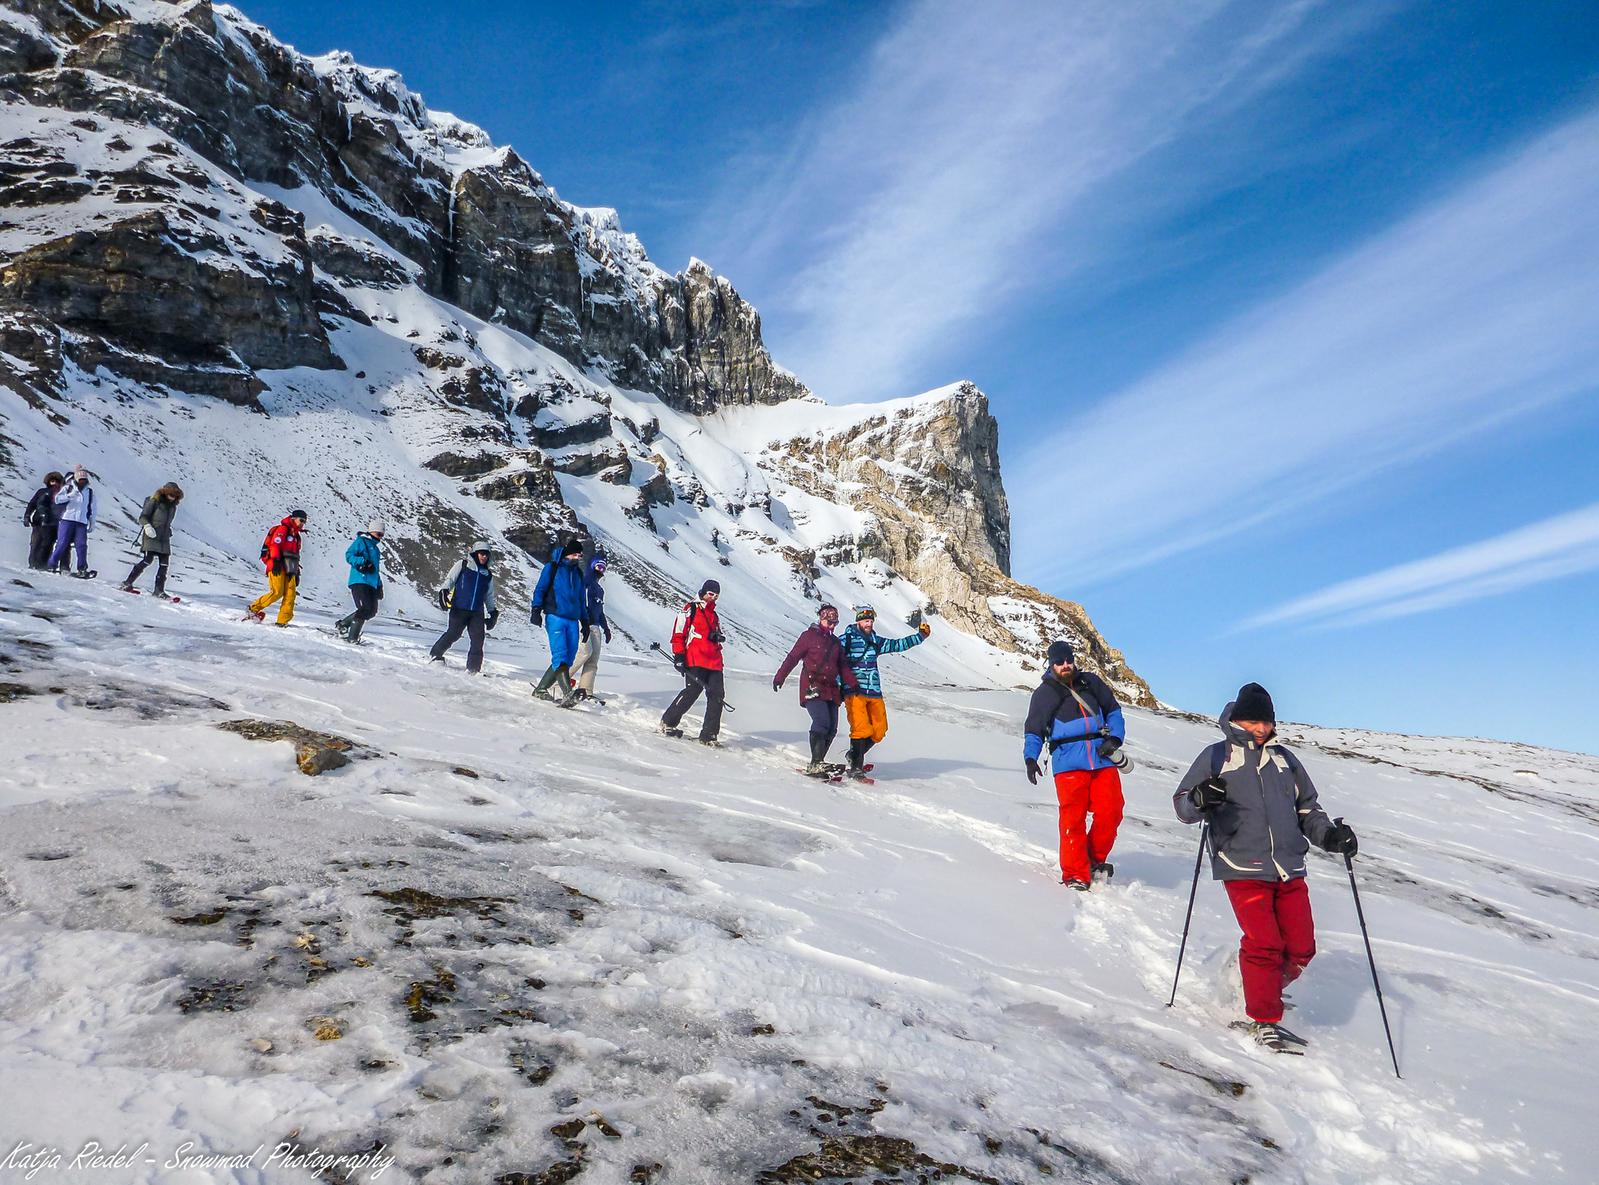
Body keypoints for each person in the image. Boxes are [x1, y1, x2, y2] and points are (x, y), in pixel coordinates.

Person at [1172, 682, 1358, 1052]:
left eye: (1267, 721)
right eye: (1254, 720)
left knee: (1302, 949)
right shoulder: (1216, 756)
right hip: (1240, 863)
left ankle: (1257, 986)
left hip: (1289, 866)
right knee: (1265, 944)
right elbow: (1182, 806)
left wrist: (1331, 837)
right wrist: (1199, 798)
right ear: (1237, 719)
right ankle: (1264, 1018)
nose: (1261, 728)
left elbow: (1308, 809)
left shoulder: (1286, 760)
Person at [1023, 641, 1127, 891]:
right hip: (1068, 762)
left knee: (1112, 811)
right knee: (1072, 819)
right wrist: (1030, 757)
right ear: (1052, 664)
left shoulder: (1091, 682)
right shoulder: (1044, 693)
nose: (1065, 665)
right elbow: (1034, 729)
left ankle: (1092, 859)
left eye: (1068, 660)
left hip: (1102, 757)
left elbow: (1113, 711)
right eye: (1059, 662)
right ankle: (1075, 873)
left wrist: (1114, 738)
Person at [839, 605, 930, 777]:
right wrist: (837, 685)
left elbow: (897, 644)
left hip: (874, 691)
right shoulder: (846, 639)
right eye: (866, 620)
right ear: (858, 621)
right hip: (854, 691)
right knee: (861, 728)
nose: (869, 624)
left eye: (871, 621)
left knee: (880, 730)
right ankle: (856, 767)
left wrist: (920, 636)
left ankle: (853, 755)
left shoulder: (875, 640)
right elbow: (835, 661)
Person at [773, 604, 859, 774]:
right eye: (829, 622)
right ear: (821, 618)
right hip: (812, 686)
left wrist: (853, 684)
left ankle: (819, 761)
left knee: (832, 727)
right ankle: (816, 762)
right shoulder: (808, 636)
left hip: (832, 690)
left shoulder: (835, 642)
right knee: (821, 722)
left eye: (835, 623)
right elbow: (793, 657)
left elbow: (843, 666)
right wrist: (780, 676)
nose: (832, 626)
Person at [660, 579, 725, 745]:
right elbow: (679, 633)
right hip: (695, 658)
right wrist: (679, 656)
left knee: (717, 696)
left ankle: (709, 735)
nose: (713, 598)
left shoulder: (714, 615)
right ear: (703, 592)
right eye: (711, 594)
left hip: (714, 662)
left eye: (716, 596)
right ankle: (668, 721)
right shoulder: (691, 609)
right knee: (692, 691)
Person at [530, 538, 592, 706]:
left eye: (579, 555)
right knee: (560, 656)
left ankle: (541, 689)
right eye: (574, 554)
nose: (577, 558)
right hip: (555, 616)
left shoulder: (578, 573)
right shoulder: (552, 568)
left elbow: (581, 599)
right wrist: (536, 609)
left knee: (569, 658)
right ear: (566, 553)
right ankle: (568, 693)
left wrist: (585, 622)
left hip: (573, 620)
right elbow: (540, 589)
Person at [429, 542, 500, 673]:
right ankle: (435, 655)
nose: (484, 557)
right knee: (453, 634)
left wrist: (492, 612)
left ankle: (473, 669)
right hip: (459, 607)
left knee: (478, 640)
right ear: (475, 553)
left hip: (477, 612)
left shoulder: (487, 575)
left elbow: (489, 595)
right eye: (481, 553)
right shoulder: (463, 565)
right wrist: (444, 591)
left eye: (486, 554)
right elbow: (450, 579)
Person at [119, 482, 184, 597]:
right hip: (151, 535)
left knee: (164, 564)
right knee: (147, 560)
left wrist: (168, 531)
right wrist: (147, 526)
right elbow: (143, 516)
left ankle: (159, 590)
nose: (172, 498)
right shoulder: (154, 501)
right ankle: (127, 582)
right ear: (165, 493)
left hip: (164, 538)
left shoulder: (173, 507)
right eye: (171, 495)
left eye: (175, 496)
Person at [246, 509, 307, 625]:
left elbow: (296, 554)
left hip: (290, 568)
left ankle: (282, 621)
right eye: (301, 520)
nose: (303, 523)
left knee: (290, 594)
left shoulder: (297, 536)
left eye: (304, 521)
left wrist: (296, 571)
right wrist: (275, 561)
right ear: (293, 518)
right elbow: (275, 545)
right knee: (277, 592)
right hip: (277, 565)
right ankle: (253, 608)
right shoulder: (283, 529)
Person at [569, 548, 613, 701]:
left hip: (595, 627)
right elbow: (580, 603)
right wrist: (583, 621)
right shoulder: (585, 582)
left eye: (603, 568)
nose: (601, 570)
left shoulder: (599, 589)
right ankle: (560, 680)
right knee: (584, 653)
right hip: (584, 623)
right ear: (592, 566)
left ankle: (586, 690)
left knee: (593, 660)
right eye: (598, 566)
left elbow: (600, 611)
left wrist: (606, 628)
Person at [335, 520, 385, 643]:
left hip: (372, 583)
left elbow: (375, 570)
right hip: (360, 580)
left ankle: (343, 624)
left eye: (382, 535)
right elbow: (349, 555)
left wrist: (379, 585)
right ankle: (352, 637)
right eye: (379, 534)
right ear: (372, 531)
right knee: (365, 608)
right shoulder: (361, 541)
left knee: (372, 611)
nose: (380, 537)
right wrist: (362, 563)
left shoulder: (375, 549)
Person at [47, 465, 98, 577]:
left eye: (84, 480)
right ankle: (51, 564)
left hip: (81, 522)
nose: (83, 482)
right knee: (62, 543)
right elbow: (57, 500)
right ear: (76, 479)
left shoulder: (89, 492)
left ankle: (82, 568)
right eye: (81, 479)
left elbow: (93, 508)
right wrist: (69, 496)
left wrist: (92, 521)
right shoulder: (68, 488)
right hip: (67, 519)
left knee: (81, 546)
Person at [24, 472, 65, 570]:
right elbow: (32, 504)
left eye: (56, 481)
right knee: (35, 543)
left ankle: (42, 564)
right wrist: (27, 515)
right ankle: (33, 563)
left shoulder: (62, 494)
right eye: (52, 481)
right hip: (38, 522)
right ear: (48, 482)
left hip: (52, 524)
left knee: (47, 544)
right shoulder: (41, 492)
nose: (54, 484)